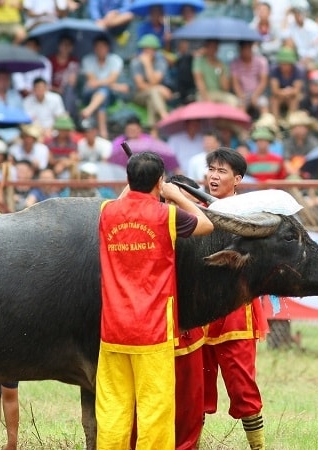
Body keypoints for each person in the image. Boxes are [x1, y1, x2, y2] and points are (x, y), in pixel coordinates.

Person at [96, 151, 214, 448]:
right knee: (154, 410)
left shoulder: (107, 212)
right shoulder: (167, 216)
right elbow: (206, 224)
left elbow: (126, 199)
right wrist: (174, 194)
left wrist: (140, 187)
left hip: (113, 330)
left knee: (113, 409)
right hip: (153, 331)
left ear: (127, 179)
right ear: (159, 181)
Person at [202, 148, 267, 450]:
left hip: (236, 312)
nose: (214, 176)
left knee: (243, 387)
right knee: (194, 389)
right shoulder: (195, 208)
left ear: (238, 179)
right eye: (211, 170)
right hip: (199, 310)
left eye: (222, 171)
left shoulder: (253, 215)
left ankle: (258, 447)